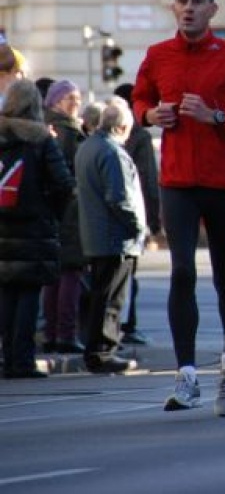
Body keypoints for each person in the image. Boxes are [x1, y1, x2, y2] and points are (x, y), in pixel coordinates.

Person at [131, 0, 225, 416]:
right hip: (177, 182)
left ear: (214, 9)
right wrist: (150, 114)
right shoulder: (157, 56)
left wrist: (217, 116)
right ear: (174, 9)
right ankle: (186, 373)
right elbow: (138, 102)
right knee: (182, 272)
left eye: (197, 2)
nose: (188, 8)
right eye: (181, 1)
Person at [0, 80, 75, 378]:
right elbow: (63, 184)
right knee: (29, 295)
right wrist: (51, 213)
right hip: (34, 226)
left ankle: (7, 358)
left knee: (5, 294)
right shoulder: (41, 139)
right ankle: (23, 360)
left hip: (1, 226)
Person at [75, 97, 146, 374]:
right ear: (121, 127)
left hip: (96, 234)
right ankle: (103, 351)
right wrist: (137, 227)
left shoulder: (88, 147)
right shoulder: (112, 152)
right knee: (112, 298)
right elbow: (119, 198)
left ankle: (97, 349)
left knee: (100, 294)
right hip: (115, 237)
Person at [40, 79, 88, 355]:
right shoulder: (67, 131)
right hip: (69, 213)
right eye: (70, 98)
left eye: (78, 98)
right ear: (56, 101)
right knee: (69, 273)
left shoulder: (48, 128)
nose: (76, 103)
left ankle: (51, 333)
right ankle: (65, 334)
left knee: (56, 277)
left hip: (53, 214)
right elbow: (68, 177)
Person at [113, 83, 161, 346]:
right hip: (133, 211)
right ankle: (126, 325)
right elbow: (147, 179)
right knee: (128, 274)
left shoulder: (100, 132)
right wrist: (153, 221)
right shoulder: (139, 136)